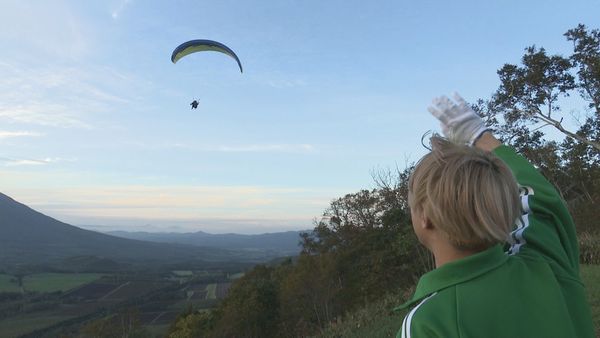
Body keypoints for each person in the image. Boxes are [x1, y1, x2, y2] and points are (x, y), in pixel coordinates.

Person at [395, 94, 595, 338]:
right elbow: (539, 198)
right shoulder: (544, 261)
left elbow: (538, 196)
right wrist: (478, 135)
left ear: (425, 217)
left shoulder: (428, 323)